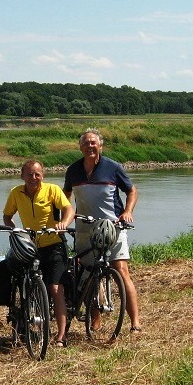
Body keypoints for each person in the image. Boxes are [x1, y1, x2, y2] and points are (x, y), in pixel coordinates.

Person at [63, 128, 142, 333]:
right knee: (89, 273)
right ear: (80, 147)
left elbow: (131, 190)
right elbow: (65, 196)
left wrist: (127, 211)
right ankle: (95, 321)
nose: (90, 146)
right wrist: (62, 217)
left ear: (100, 145)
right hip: (85, 229)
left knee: (122, 271)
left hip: (112, 227)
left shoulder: (113, 167)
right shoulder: (73, 170)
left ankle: (135, 323)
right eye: (86, 143)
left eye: (93, 143)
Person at [3, 159, 75, 347]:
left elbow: (69, 209)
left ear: (43, 175)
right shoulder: (16, 193)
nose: (33, 178)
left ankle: (60, 335)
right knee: (26, 282)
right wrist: (15, 230)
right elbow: (7, 216)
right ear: (22, 176)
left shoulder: (52, 190)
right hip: (30, 246)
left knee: (55, 288)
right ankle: (23, 322)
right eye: (29, 174)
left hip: (53, 244)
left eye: (37, 174)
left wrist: (63, 224)